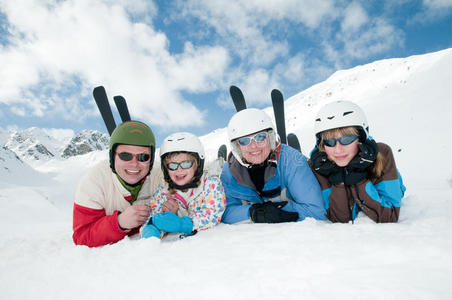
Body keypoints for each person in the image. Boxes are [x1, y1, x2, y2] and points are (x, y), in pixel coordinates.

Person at [220, 108, 326, 224]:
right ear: (237, 147)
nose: (254, 146)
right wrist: (255, 213)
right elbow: (224, 213)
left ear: (270, 138)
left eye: (260, 137)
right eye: (244, 141)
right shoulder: (230, 171)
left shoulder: (292, 160)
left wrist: (279, 211)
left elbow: (315, 211)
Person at [309, 100, 406, 223]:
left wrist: (359, 179)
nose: (338, 150)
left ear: (361, 138)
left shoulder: (382, 153)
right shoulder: (319, 166)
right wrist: (339, 182)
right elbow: (339, 219)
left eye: (347, 139)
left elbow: (389, 215)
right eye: (329, 142)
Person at [72, 121, 162, 247]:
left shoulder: (160, 176)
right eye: (125, 156)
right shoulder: (94, 181)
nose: (134, 164)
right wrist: (119, 223)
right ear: (112, 157)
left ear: (151, 160)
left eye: (143, 157)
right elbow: (81, 236)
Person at [141, 132, 226, 239]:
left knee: (217, 169)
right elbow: (155, 216)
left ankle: (221, 160)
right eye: (172, 165)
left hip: (213, 175)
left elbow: (212, 214)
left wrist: (183, 224)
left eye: (186, 164)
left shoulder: (211, 183)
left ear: (197, 164)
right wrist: (151, 229)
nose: (179, 170)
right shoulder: (164, 191)